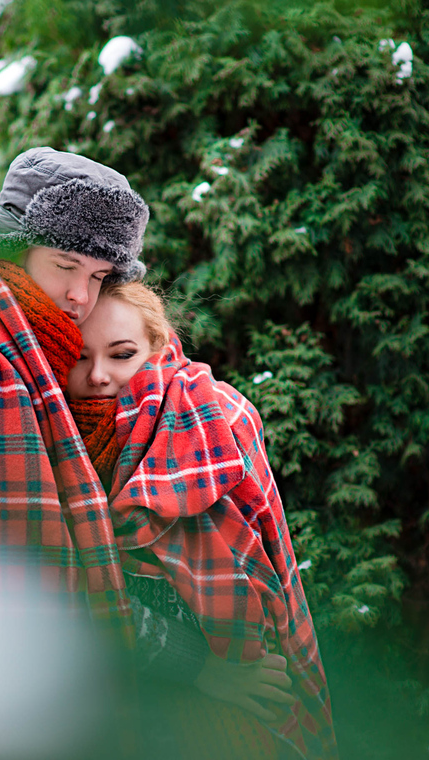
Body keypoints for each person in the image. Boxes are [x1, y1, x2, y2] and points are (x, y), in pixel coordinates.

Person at [0, 147, 293, 757]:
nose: (79, 295)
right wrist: (190, 662)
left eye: (99, 276)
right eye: (64, 264)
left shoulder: (80, 356)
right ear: (10, 247)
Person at [65, 281, 339, 759]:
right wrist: (197, 666)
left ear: (159, 347)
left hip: (242, 673)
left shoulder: (216, 416)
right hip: (111, 697)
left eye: (122, 354)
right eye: (79, 356)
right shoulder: (46, 436)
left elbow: (267, 553)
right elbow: (64, 592)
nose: (99, 376)